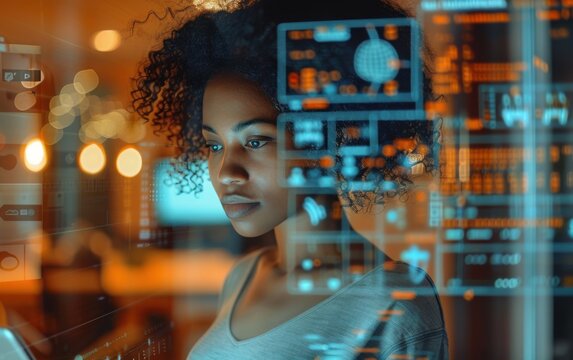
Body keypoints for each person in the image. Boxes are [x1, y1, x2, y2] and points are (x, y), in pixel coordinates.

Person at [132, 0, 448, 359]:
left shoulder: (394, 302)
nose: (226, 173)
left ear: (331, 137)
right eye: (214, 145)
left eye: (256, 140)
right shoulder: (244, 278)